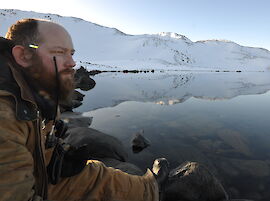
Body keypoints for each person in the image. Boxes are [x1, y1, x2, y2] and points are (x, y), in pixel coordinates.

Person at [0, 19, 169, 201]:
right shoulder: (5, 113)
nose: (72, 63)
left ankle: (150, 188)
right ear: (23, 55)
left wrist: (57, 156)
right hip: (37, 187)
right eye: (59, 52)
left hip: (40, 177)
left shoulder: (31, 94)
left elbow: (44, 161)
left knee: (95, 173)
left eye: (71, 54)